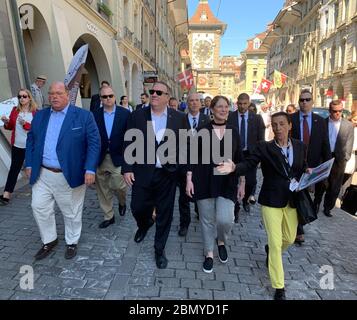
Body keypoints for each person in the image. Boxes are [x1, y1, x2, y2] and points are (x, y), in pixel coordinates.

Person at [235, 112, 308, 300]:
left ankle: (270, 251)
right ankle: (279, 286)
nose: (278, 128)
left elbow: (301, 167)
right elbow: (250, 163)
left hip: (292, 200)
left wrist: (308, 172)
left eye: (282, 124)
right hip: (270, 200)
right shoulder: (264, 147)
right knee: (276, 244)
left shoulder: (300, 146)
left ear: (290, 126)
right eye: (274, 125)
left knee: (289, 239)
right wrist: (235, 168)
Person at [25, 81, 100, 260]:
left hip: (69, 174)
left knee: (71, 211)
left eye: (58, 93)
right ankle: (49, 240)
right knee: (39, 206)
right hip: (42, 174)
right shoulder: (41, 115)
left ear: (68, 95)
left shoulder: (83, 116)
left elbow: (94, 144)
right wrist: (29, 164)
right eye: (51, 93)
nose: (54, 97)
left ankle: (72, 241)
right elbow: (31, 140)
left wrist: (90, 168)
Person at [122, 81, 186, 269]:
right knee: (137, 207)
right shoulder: (137, 116)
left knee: (165, 214)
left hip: (167, 175)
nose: (155, 94)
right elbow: (128, 142)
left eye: (159, 92)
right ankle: (145, 223)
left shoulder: (179, 118)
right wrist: (127, 168)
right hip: (143, 172)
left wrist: (182, 171)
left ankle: (159, 250)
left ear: (168, 97)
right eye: (152, 91)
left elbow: (184, 146)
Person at [186, 95, 245, 273]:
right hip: (203, 180)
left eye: (226, 106)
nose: (223, 109)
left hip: (227, 181)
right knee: (207, 220)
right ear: (211, 109)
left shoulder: (234, 131)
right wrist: (189, 179)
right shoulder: (202, 129)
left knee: (225, 219)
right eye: (219, 106)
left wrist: (242, 182)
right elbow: (192, 157)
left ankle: (221, 240)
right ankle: (209, 253)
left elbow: (239, 159)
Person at [290, 90, 331, 244]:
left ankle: (300, 224)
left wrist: (327, 168)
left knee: (304, 196)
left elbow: (325, 145)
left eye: (307, 100)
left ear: (312, 101)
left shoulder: (320, 121)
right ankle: (298, 229)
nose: (304, 102)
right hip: (295, 165)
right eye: (302, 100)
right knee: (296, 195)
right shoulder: (291, 119)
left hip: (312, 168)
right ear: (298, 101)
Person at [93, 86, 130, 228]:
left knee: (119, 185)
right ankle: (109, 216)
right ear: (101, 99)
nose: (108, 99)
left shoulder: (125, 114)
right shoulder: (94, 114)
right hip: (101, 157)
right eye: (104, 97)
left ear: (115, 96)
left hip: (118, 156)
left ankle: (122, 201)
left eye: (110, 96)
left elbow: (130, 136)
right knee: (102, 188)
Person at [227, 93, 265, 222]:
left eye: (245, 104)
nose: (242, 106)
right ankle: (235, 209)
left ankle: (245, 200)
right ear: (237, 103)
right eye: (240, 104)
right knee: (233, 182)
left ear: (249, 104)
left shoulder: (257, 119)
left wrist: (260, 157)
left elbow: (261, 139)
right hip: (234, 154)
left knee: (250, 182)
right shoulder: (230, 117)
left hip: (250, 155)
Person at [178, 92, 210, 237]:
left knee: (200, 191)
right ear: (187, 102)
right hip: (184, 162)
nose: (194, 103)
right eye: (191, 101)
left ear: (201, 103)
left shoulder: (207, 120)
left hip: (201, 163)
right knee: (184, 195)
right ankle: (184, 223)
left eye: (197, 100)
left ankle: (199, 210)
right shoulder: (180, 119)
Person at [316, 100, 354, 217]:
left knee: (334, 185)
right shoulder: (322, 123)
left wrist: (346, 157)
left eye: (340, 111)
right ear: (330, 111)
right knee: (321, 182)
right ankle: (316, 203)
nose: (337, 113)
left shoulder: (348, 125)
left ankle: (328, 207)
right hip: (324, 156)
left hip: (339, 158)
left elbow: (349, 142)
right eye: (334, 111)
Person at [0, 89, 37, 206]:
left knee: (34, 169)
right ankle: (6, 194)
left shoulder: (36, 112)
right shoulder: (15, 110)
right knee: (14, 169)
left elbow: (38, 130)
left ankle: (40, 192)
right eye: (19, 96)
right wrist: (6, 122)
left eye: (24, 96)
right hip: (17, 145)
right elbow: (10, 126)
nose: (22, 98)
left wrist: (25, 124)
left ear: (29, 98)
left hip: (31, 147)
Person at [340, 110, 357, 199]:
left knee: (348, 177)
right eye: (354, 120)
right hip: (343, 155)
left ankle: (344, 195)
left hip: (353, 156)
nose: (356, 122)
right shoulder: (346, 127)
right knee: (340, 176)